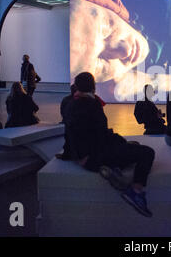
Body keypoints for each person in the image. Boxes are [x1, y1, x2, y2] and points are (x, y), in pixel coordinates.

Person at [62, 72, 155, 217]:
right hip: (93, 157)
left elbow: (71, 133)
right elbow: (101, 136)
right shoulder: (92, 104)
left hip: (81, 156)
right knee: (147, 153)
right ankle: (135, 192)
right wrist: (121, 143)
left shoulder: (69, 103)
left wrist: (69, 155)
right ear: (93, 87)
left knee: (127, 147)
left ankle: (114, 168)